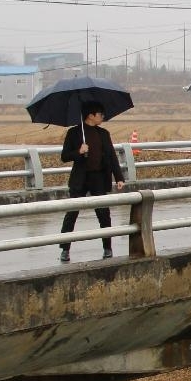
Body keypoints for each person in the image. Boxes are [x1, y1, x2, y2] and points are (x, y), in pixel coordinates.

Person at [59, 100, 125, 262]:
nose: (102, 117)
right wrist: (79, 151)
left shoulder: (103, 134)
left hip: (99, 178)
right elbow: (64, 157)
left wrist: (119, 177)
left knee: (103, 214)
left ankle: (107, 247)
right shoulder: (74, 133)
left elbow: (111, 156)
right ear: (90, 115)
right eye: (100, 114)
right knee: (71, 214)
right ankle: (65, 249)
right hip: (80, 178)